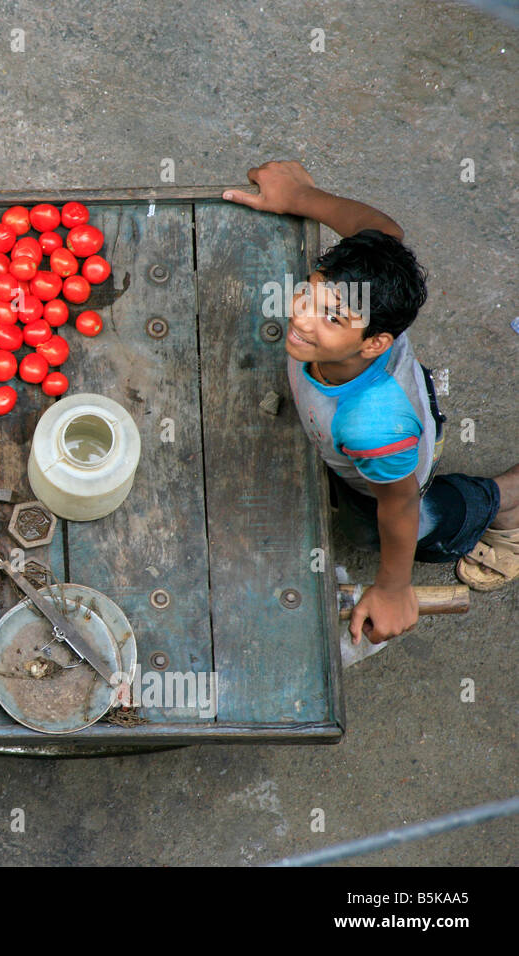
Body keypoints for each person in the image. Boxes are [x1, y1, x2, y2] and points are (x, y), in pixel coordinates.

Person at [222, 161, 519, 647]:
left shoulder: (370, 426)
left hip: (392, 470)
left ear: (375, 344)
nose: (301, 316)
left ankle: (503, 501)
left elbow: (398, 503)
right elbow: (384, 231)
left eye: (332, 318)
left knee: (405, 526)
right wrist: (298, 197)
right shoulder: (363, 293)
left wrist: (393, 586)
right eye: (311, 291)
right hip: (388, 428)